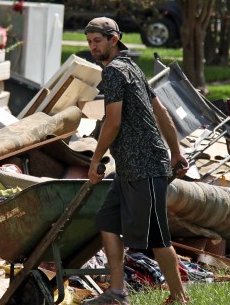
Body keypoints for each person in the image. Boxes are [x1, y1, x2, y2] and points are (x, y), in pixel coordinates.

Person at [83, 17, 190, 304]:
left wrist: (95, 159)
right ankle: (118, 293)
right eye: (89, 42)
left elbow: (113, 122)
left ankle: (179, 298)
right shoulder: (131, 67)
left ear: (113, 40)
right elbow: (160, 111)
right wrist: (176, 153)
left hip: (145, 167)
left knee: (158, 238)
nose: (93, 47)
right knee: (107, 221)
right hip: (128, 169)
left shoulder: (116, 73)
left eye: (98, 41)